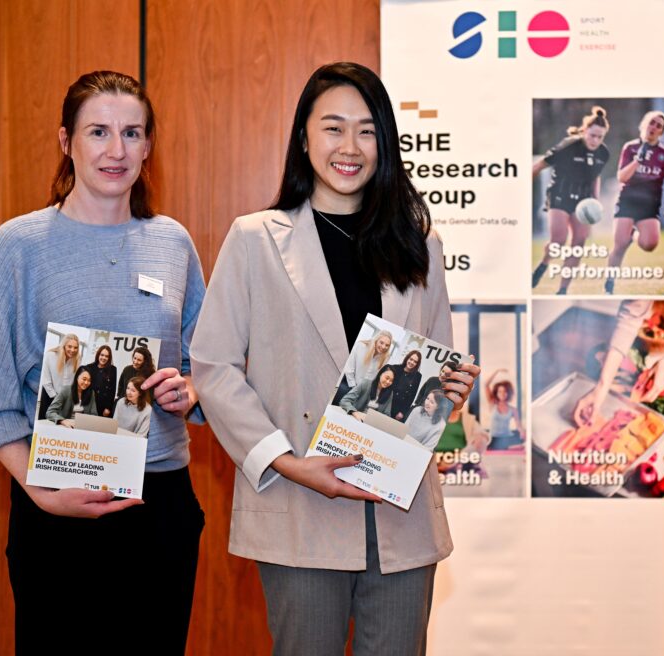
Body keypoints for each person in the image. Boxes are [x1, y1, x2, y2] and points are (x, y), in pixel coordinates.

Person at [189, 62, 480, 656]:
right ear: (303, 137)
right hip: (299, 502)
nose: (350, 147)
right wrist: (288, 462)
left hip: (400, 515)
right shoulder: (254, 239)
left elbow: (435, 359)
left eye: (368, 131)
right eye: (333, 128)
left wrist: (450, 389)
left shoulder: (419, 245)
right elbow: (214, 368)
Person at [0, 71, 206, 655]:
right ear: (66, 140)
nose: (116, 150)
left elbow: (205, 364)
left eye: (132, 133)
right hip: (57, 505)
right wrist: (40, 491)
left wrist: (189, 392)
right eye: (98, 131)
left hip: (161, 505)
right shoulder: (19, 246)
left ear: (149, 146)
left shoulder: (172, 243)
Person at [531, 106, 611, 295]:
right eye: (592, 135)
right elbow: (538, 166)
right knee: (558, 241)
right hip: (560, 194)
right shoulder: (568, 146)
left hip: (583, 201)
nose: (596, 140)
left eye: (600, 137)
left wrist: (595, 203)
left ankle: (562, 290)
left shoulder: (603, 153)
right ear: (584, 131)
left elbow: (595, 177)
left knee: (578, 245)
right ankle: (543, 264)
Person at [605, 110, 664, 295]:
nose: (653, 127)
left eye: (658, 126)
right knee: (619, 245)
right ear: (644, 124)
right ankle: (610, 282)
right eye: (651, 123)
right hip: (628, 201)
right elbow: (621, 177)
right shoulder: (630, 148)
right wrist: (638, 160)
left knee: (650, 244)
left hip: (649, 204)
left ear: (661, 132)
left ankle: (634, 235)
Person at [336, 330, 394, 403]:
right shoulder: (360, 346)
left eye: (387, 345)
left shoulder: (386, 357)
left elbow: (374, 377)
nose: (383, 347)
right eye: (381, 342)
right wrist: (354, 388)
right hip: (348, 383)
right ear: (376, 340)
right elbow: (349, 369)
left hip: (362, 390)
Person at [38, 332, 81, 419]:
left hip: (66, 399)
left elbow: (73, 382)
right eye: (70, 346)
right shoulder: (50, 355)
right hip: (49, 395)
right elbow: (46, 381)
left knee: (63, 425)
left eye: (75, 348)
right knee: (45, 424)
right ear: (64, 345)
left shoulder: (77, 359)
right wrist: (56, 398)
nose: (72, 350)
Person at [484, 369, 523, 450]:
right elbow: (486, 385)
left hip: (507, 438)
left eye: (505, 391)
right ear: (496, 393)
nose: (502, 394)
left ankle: (508, 447)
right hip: (494, 438)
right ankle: (507, 448)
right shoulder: (492, 404)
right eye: (500, 391)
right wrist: (497, 371)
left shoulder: (513, 409)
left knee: (521, 444)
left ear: (508, 393)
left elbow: (518, 425)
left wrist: (523, 432)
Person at [84, 344, 118, 417]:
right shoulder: (89, 367)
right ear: (98, 355)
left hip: (103, 405)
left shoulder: (113, 369)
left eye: (106, 356)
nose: (104, 358)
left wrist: (108, 408)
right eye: (102, 355)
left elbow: (112, 390)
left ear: (109, 358)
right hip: (90, 403)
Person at [389, 349, 423, 421]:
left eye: (415, 362)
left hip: (398, 409)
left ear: (417, 364)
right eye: (411, 359)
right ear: (407, 358)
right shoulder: (395, 368)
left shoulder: (417, 376)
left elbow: (412, 396)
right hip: (387, 403)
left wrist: (402, 412)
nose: (412, 362)